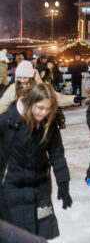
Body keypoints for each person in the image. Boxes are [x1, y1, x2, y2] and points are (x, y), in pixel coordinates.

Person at [0, 83, 72, 240]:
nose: (44, 112)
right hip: (12, 189)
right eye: (40, 107)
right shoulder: (6, 122)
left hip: (40, 188)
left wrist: (63, 182)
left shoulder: (49, 123)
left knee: (40, 234)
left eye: (48, 109)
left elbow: (57, 154)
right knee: (18, 237)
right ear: (30, 102)